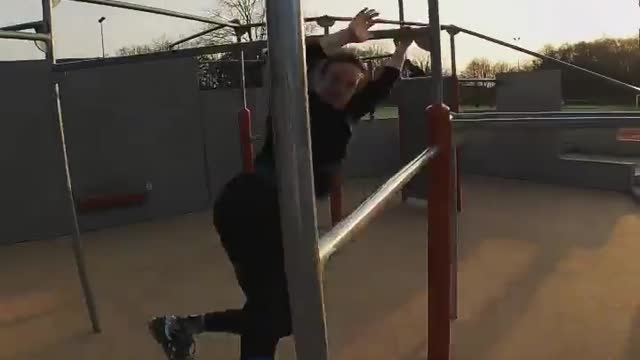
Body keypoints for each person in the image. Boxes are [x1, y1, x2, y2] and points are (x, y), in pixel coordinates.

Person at [148, 8, 413, 360]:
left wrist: (402, 47)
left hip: (279, 215)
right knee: (278, 312)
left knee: (275, 313)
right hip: (252, 208)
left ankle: (183, 326)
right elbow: (296, 56)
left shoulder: (345, 113)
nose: (341, 89)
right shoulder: (296, 102)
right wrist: (347, 37)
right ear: (317, 78)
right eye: (334, 79)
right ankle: (183, 326)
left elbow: (379, 88)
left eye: (350, 85)